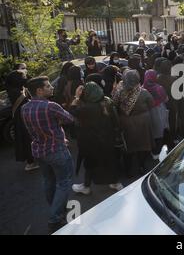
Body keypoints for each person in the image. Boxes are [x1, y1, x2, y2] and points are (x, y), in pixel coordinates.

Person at [21, 77, 75, 233]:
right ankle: (55, 217)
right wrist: (76, 100)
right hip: (56, 150)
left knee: (48, 180)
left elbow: (31, 130)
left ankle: (55, 208)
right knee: (63, 182)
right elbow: (69, 118)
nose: (51, 87)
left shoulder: (25, 108)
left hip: (39, 150)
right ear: (39, 90)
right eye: (48, 86)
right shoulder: (50, 106)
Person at [70, 82, 123, 195]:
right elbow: (116, 120)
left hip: (91, 141)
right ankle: (116, 183)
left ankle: (86, 186)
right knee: (110, 161)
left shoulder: (87, 108)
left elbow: (72, 111)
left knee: (90, 164)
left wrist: (76, 96)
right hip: (108, 139)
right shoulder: (108, 101)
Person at [112, 70, 155, 176]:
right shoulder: (144, 92)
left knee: (128, 148)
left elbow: (113, 105)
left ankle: (128, 170)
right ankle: (141, 166)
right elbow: (151, 104)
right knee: (143, 146)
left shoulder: (118, 91)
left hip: (125, 123)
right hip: (143, 123)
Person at [5, 70, 38, 171]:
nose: (25, 78)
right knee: (27, 139)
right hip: (22, 119)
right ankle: (30, 162)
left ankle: (31, 161)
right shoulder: (16, 92)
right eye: (23, 77)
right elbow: (26, 102)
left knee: (26, 139)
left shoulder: (13, 89)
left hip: (21, 118)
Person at [143, 70, 169, 161]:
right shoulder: (159, 88)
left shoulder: (142, 89)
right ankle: (157, 153)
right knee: (159, 130)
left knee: (150, 131)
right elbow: (166, 99)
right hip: (158, 111)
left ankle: (151, 151)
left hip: (147, 112)